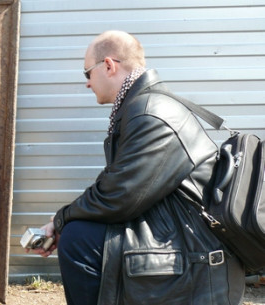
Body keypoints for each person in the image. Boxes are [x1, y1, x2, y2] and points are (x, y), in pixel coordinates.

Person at [31, 30, 245, 304]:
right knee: (78, 232)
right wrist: (60, 220)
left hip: (195, 247)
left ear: (108, 65)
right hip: (173, 230)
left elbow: (118, 196)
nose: (86, 84)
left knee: (78, 239)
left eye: (87, 73)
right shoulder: (141, 106)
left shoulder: (150, 112)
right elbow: (115, 185)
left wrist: (61, 221)